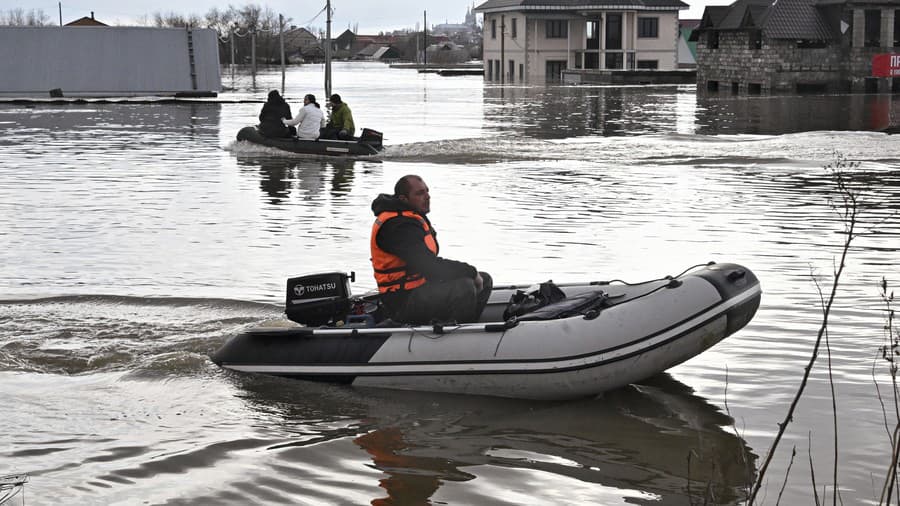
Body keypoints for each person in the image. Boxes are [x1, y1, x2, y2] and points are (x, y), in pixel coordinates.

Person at [370, 175, 492, 325]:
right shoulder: (398, 227)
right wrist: (471, 271)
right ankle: (458, 336)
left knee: (484, 279)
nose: (427, 197)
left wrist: (472, 273)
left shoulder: (409, 217)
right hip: (401, 300)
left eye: (427, 192)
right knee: (464, 286)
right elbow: (429, 267)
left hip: (419, 287)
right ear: (403, 199)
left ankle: (466, 325)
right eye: (420, 193)